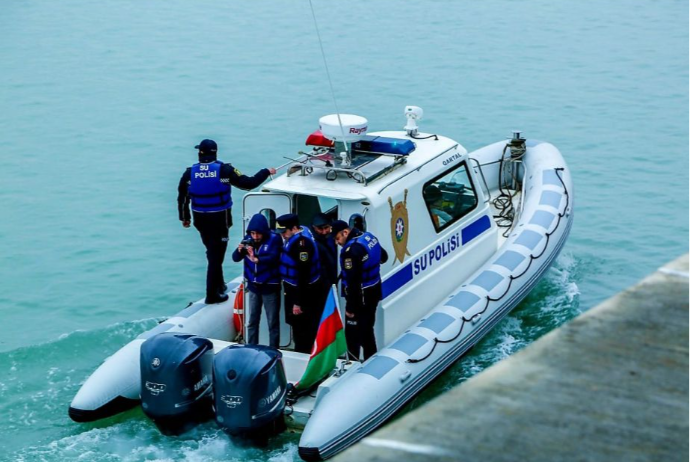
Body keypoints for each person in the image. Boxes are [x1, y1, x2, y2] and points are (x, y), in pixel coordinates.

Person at [178, 139, 276, 304]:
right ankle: (212, 295)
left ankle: (220, 285)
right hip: (219, 219)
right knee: (216, 256)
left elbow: (182, 197)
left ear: (200, 153)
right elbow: (248, 184)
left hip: (200, 219)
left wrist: (185, 218)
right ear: (215, 152)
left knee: (212, 251)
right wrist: (265, 171)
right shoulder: (224, 170)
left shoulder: (190, 173)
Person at [331, 220, 389, 361]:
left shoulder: (350, 252)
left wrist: (351, 308)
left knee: (353, 336)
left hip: (360, 297)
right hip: (374, 290)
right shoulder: (368, 237)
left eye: (337, 238)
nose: (337, 243)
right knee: (368, 330)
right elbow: (384, 257)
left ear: (345, 232)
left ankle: (352, 363)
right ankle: (372, 360)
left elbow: (353, 282)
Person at [231, 213, 282, 348]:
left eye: (258, 234)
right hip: (253, 287)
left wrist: (257, 259)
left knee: (273, 322)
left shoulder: (275, 239)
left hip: (270, 286)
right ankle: (251, 347)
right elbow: (235, 258)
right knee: (252, 321)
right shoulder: (248, 240)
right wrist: (239, 249)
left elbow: (274, 258)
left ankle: (273, 349)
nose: (255, 237)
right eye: (253, 233)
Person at [276, 213, 323, 353]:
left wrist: (298, 302)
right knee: (297, 325)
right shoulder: (300, 233)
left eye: (284, 231)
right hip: (293, 288)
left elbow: (303, 274)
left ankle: (303, 353)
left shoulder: (302, 245)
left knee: (302, 327)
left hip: (301, 292)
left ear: (294, 228)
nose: (282, 235)